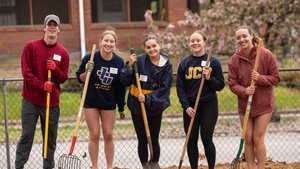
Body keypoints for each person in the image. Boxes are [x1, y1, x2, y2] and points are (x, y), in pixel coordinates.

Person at [15, 14, 70, 169]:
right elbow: (26, 73)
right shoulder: (30, 47)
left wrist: (55, 69)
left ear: (59, 29)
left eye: (55, 25)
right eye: (49, 24)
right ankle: (19, 166)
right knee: (27, 135)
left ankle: (48, 166)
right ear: (44, 27)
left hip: (51, 103)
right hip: (31, 101)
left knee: (50, 138)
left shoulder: (63, 53)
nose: (52, 27)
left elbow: (63, 78)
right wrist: (41, 85)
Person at [228, 25, 280, 169]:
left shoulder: (265, 54)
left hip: (264, 104)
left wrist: (260, 78)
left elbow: (276, 78)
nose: (242, 39)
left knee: (257, 138)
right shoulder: (234, 60)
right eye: (238, 37)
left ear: (251, 36)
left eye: (244, 36)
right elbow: (232, 84)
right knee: (248, 139)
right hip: (245, 105)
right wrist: (245, 91)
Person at [76, 27, 126, 169]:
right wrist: (87, 71)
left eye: (111, 41)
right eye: (106, 40)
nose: (108, 44)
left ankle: (109, 166)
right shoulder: (90, 57)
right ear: (100, 42)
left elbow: (121, 87)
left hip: (108, 102)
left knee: (109, 134)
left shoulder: (119, 62)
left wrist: (121, 106)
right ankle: (95, 166)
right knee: (95, 134)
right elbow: (80, 79)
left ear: (114, 44)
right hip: (90, 101)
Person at [120, 33, 173, 169]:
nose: (152, 49)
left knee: (153, 137)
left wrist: (148, 98)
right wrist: (130, 66)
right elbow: (124, 80)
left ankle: (154, 163)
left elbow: (164, 88)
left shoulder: (166, 65)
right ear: (145, 48)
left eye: (154, 46)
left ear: (159, 46)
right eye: (148, 47)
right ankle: (144, 164)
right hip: (137, 105)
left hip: (155, 105)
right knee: (142, 138)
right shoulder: (138, 62)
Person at [176, 30, 225, 169]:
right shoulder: (185, 63)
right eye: (192, 40)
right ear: (189, 43)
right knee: (191, 140)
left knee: (206, 138)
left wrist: (209, 78)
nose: (195, 43)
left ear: (204, 42)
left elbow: (220, 85)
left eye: (198, 40)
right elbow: (180, 87)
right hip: (190, 106)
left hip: (208, 104)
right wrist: (186, 106)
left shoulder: (213, 62)